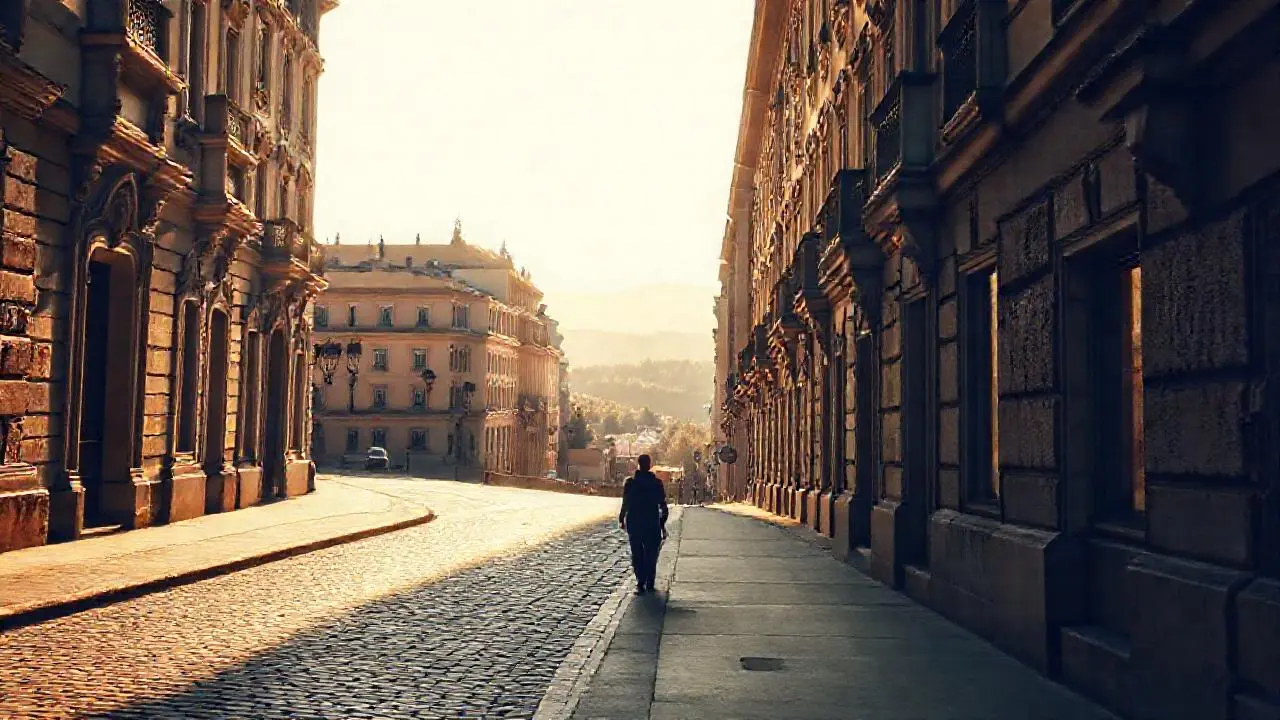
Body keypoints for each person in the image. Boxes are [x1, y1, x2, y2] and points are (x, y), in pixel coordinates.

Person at [619, 454, 668, 594]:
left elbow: (625, 503)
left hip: (634, 522)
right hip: (651, 522)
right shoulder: (657, 483)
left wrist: (621, 518)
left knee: (637, 553)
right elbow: (663, 506)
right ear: (649, 464)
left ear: (638, 464)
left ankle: (641, 581)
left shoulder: (630, 483)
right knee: (651, 553)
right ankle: (650, 581)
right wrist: (662, 525)